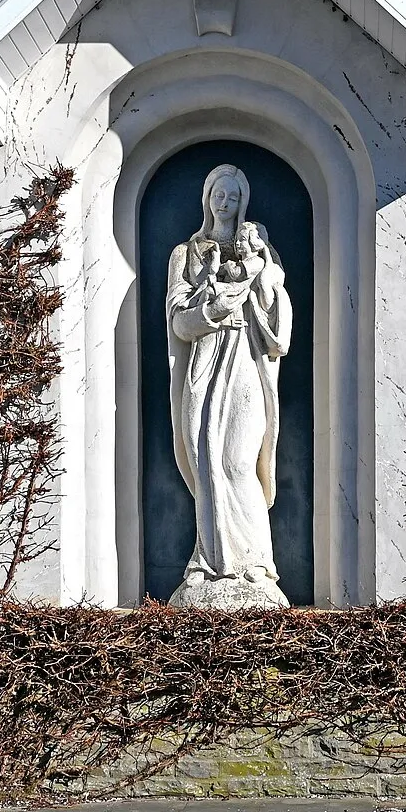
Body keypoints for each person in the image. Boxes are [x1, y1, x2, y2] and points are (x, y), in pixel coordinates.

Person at [164, 163, 293, 608]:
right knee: (207, 463)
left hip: (245, 361)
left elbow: (279, 323)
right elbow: (178, 322)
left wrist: (261, 281)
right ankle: (206, 561)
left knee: (239, 461)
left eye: (233, 196)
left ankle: (256, 564)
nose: (224, 202)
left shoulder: (261, 251)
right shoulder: (186, 254)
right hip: (204, 360)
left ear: (243, 203)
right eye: (218, 193)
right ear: (206, 198)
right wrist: (211, 310)